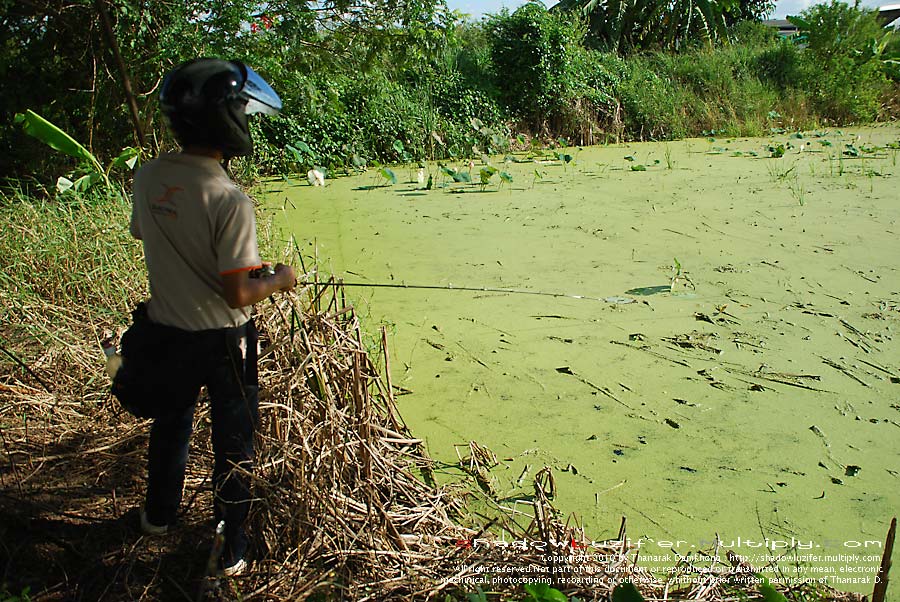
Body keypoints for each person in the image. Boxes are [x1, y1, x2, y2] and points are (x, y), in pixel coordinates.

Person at [128, 58, 295, 576]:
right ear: (231, 121)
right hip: (225, 343)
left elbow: (146, 234)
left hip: (167, 333)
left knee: (171, 423)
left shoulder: (150, 174)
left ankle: (159, 516)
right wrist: (281, 278)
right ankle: (233, 545)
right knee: (234, 441)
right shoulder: (230, 199)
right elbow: (240, 291)